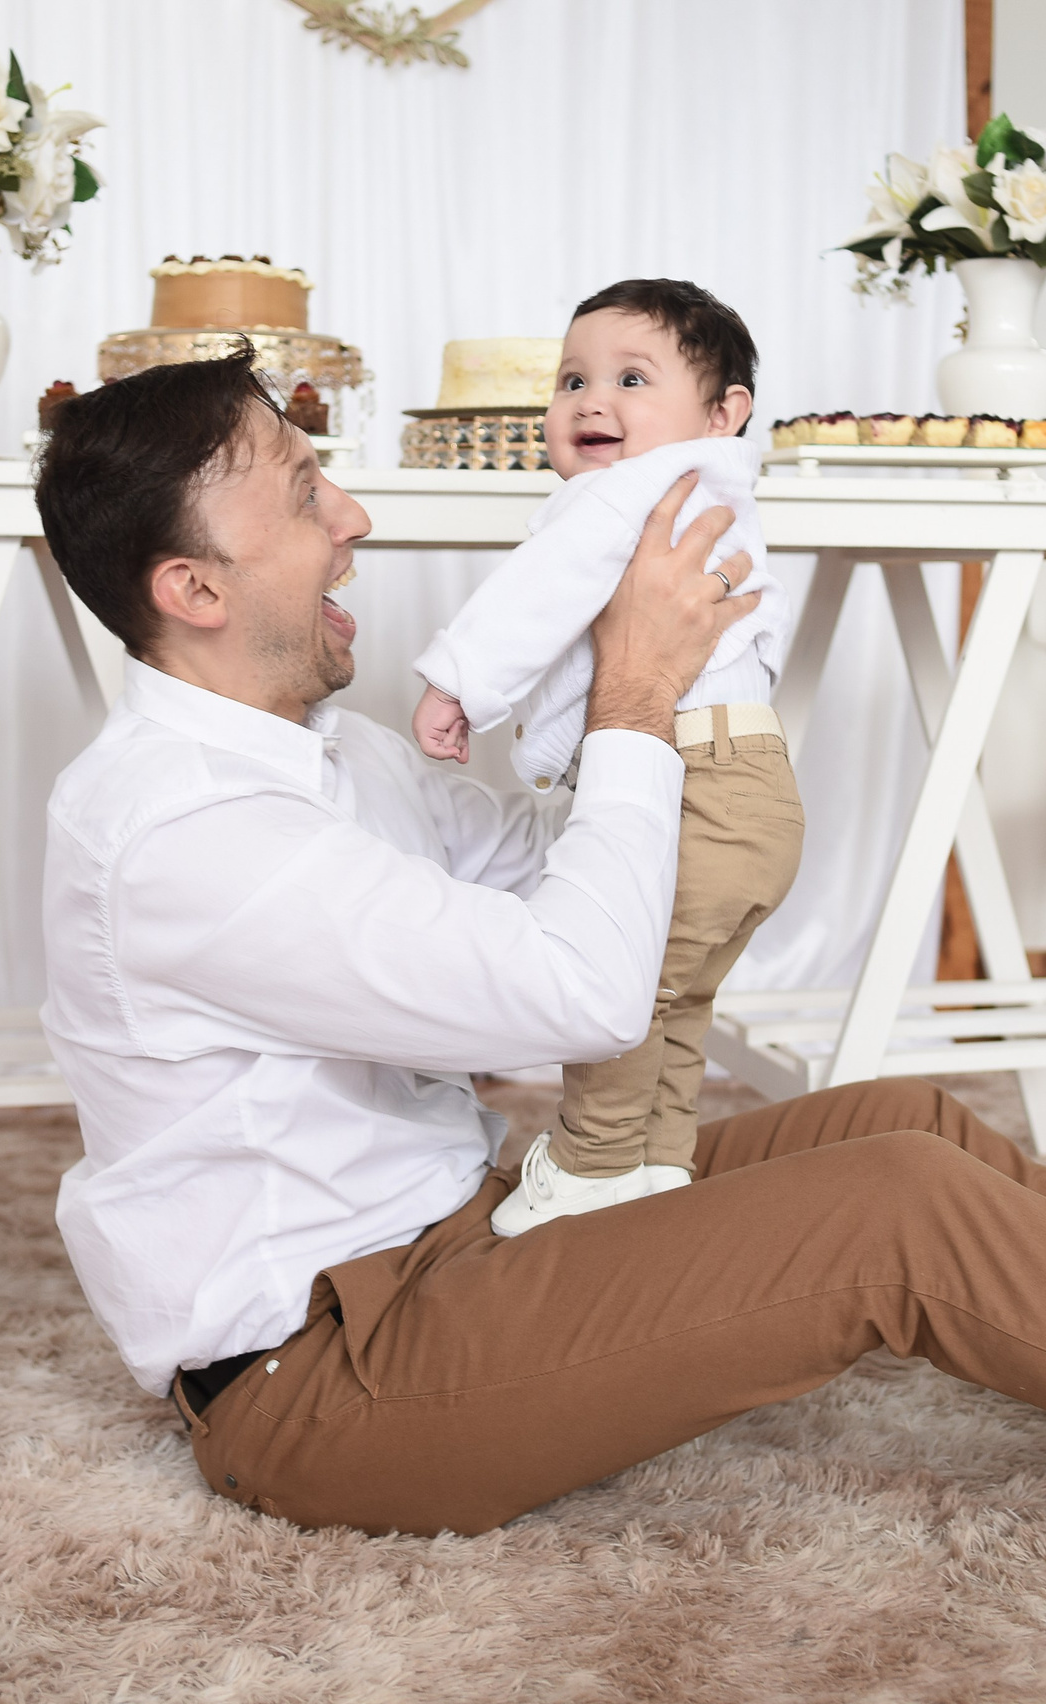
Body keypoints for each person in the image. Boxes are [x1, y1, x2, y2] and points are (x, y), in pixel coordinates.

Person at [31, 349, 1046, 1595]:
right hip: (332, 1382)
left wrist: (687, 706)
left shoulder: (327, 761)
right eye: (303, 490)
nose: (355, 515)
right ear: (193, 587)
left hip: (458, 1239)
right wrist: (624, 698)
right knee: (896, 1210)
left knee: (907, 1119)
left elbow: (562, 864)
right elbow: (581, 993)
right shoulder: (179, 831)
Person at [410, 280, 799, 1234]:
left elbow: (538, 593)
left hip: (696, 787)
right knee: (676, 1004)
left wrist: (458, 680)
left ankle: (588, 1165)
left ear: (724, 413)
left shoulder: (624, 496)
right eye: (572, 379)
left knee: (619, 984)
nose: (592, 401)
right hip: (754, 788)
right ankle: (655, 1170)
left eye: (632, 377)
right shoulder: (716, 499)